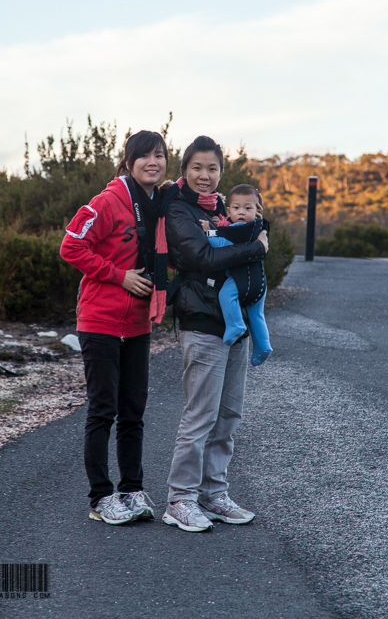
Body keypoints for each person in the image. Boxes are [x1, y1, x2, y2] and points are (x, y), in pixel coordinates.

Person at [161, 136, 269, 532]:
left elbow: (250, 231)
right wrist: (256, 247)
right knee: (200, 415)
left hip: (235, 324)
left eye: (212, 169)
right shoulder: (178, 209)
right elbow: (201, 256)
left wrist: (254, 239)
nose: (205, 176)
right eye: (197, 168)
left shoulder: (224, 207)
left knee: (228, 415)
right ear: (184, 170)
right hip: (203, 323)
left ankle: (214, 493)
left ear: (221, 172)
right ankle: (180, 499)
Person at [60, 130, 168, 525]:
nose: (152, 163)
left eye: (159, 156)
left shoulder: (159, 202)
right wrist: (118, 275)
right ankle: (100, 498)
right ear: (128, 161)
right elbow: (71, 246)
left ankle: (132, 489)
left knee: (133, 411)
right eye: (144, 156)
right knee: (103, 410)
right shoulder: (108, 201)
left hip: (138, 324)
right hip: (101, 320)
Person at [200, 183, 272, 366]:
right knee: (257, 315)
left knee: (226, 295)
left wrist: (210, 232)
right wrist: (220, 224)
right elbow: (230, 230)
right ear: (229, 210)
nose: (241, 212)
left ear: (257, 210)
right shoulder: (256, 227)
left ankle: (235, 325)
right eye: (236, 208)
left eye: (248, 208)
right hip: (260, 282)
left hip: (239, 280)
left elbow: (223, 244)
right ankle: (263, 345)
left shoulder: (244, 228)